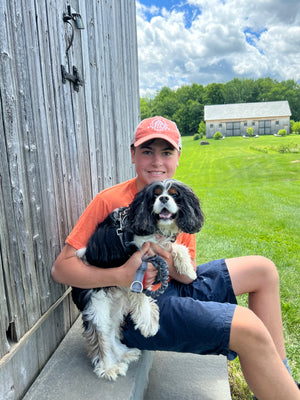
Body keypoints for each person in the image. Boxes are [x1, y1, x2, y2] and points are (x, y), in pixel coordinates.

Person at [52, 116, 300, 400]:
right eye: (147, 151)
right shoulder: (108, 201)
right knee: (246, 325)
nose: (157, 161)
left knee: (263, 270)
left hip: (172, 285)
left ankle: (281, 385)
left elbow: (186, 274)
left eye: (166, 152)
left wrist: (165, 252)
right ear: (133, 154)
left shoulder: (176, 200)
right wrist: (121, 274)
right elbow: (62, 269)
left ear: (178, 156)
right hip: (132, 307)